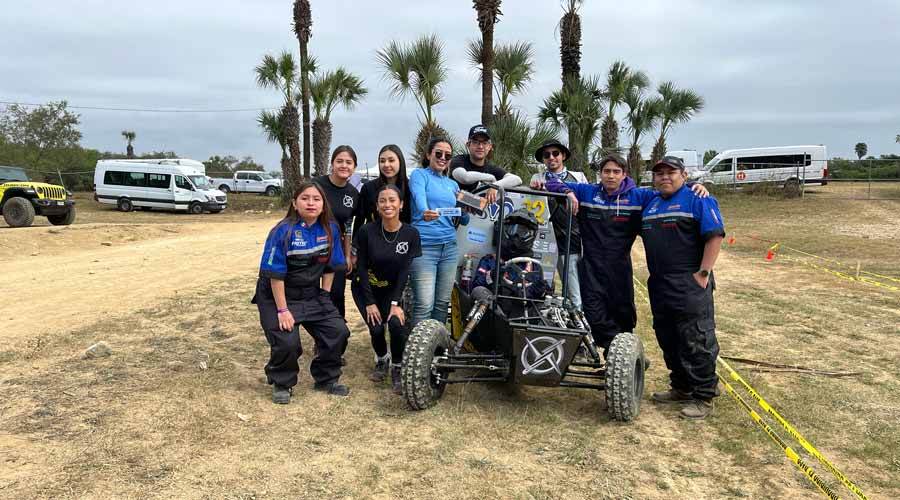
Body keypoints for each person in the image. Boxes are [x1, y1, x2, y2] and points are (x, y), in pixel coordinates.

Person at [544, 154, 708, 358]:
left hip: (620, 267)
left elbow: (668, 189)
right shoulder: (587, 192)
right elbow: (551, 182)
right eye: (606, 171)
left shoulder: (639, 196)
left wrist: (692, 185)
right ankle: (619, 353)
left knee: (623, 315)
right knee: (594, 314)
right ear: (600, 174)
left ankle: (623, 356)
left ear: (624, 174)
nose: (611, 176)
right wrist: (567, 191)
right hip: (591, 267)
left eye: (615, 172)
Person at [641, 156, 725, 420]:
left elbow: (715, 236)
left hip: (689, 282)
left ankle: (704, 395)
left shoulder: (698, 199)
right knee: (668, 336)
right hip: (660, 282)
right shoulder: (650, 203)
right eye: (659, 173)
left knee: (696, 338)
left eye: (671, 172)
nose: (665, 177)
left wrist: (703, 273)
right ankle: (681, 387)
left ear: (684, 176)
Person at [254, 182, 351, 403]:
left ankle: (326, 378)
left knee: (338, 331)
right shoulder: (282, 231)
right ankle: (282, 382)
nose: (311, 203)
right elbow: (275, 275)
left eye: (316, 199)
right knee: (288, 342)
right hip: (276, 295)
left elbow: (331, 267)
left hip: (311, 293)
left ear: (323, 204)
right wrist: (282, 310)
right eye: (305, 198)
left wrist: (325, 297)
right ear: (294, 203)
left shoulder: (330, 229)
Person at [351, 184, 421, 394]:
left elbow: (404, 272)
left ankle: (397, 366)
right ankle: (382, 358)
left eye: (392, 200)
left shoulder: (411, 234)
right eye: (383, 201)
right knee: (376, 328)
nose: (387, 204)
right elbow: (361, 268)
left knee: (396, 324)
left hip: (392, 290)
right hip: (365, 289)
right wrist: (370, 303)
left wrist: (394, 303)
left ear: (401, 205)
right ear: (377, 206)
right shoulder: (366, 231)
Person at [409, 137, 470, 324]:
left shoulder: (453, 185)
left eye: (448, 155)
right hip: (425, 247)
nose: (443, 158)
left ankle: (438, 349)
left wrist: (467, 209)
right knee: (424, 304)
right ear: (428, 155)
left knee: (442, 304)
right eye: (438, 153)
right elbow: (419, 197)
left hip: (449, 248)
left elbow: (464, 219)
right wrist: (424, 210)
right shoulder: (420, 175)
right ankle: (419, 352)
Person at [528, 139, 587, 309]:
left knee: (574, 292)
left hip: (571, 239)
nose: (551, 157)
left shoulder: (579, 176)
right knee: (540, 288)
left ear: (563, 156)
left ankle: (579, 330)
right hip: (543, 240)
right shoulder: (537, 177)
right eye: (546, 155)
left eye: (555, 153)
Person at [314, 145, 360, 319]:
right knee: (312, 293)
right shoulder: (317, 185)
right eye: (339, 161)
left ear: (354, 167)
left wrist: (347, 255)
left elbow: (348, 226)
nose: (344, 165)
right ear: (332, 163)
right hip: (312, 249)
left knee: (336, 295)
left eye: (349, 162)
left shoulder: (353, 194)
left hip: (336, 252)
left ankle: (335, 335)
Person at [450, 124, 521, 204]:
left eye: (485, 143)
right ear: (468, 145)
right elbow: (464, 178)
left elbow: (517, 179)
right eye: (475, 142)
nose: (480, 146)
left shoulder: (491, 167)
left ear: (490, 146)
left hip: (477, 213)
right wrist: (490, 177)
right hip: (453, 211)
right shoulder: (458, 160)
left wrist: (495, 185)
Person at [353, 144, 412, 235]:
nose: (386, 164)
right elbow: (360, 219)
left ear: (400, 161)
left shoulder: (411, 188)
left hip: (403, 243)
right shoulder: (368, 188)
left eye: (391, 160)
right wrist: (355, 245)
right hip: (373, 242)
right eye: (382, 161)